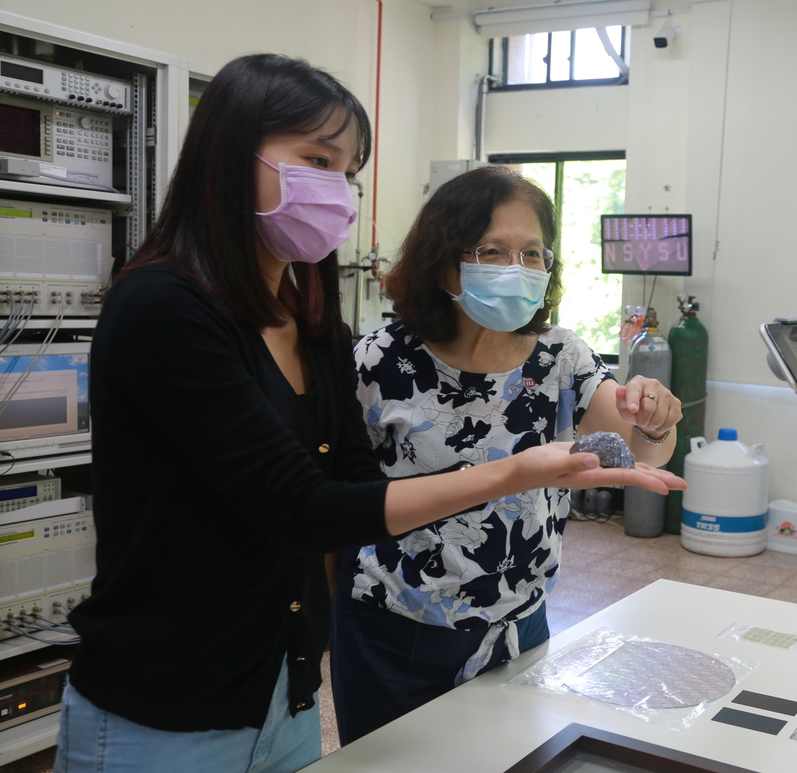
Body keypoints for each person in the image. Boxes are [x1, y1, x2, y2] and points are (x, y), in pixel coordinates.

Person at [57, 55, 683, 773]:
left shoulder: (311, 324)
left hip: (284, 691)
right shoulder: (166, 309)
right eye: (318, 161)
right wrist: (513, 472)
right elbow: (306, 510)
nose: (339, 193)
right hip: (171, 703)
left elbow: (352, 485)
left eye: (348, 172)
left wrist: (650, 427)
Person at [329, 166, 683, 744]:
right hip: (397, 624)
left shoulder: (560, 356)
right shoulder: (379, 360)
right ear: (444, 261)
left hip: (520, 619)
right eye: (490, 251)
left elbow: (641, 444)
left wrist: (655, 413)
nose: (514, 271)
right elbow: (336, 501)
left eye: (532, 255)